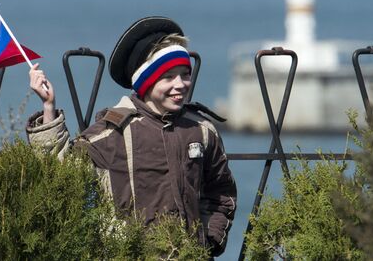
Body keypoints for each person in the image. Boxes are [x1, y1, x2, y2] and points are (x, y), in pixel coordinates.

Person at [26, 16, 237, 257]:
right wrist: (48, 109)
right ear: (146, 80)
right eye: (168, 77)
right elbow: (60, 173)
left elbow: (221, 191)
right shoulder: (114, 131)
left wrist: (210, 240)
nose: (180, 84)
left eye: (184, 74)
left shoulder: (201, 130)